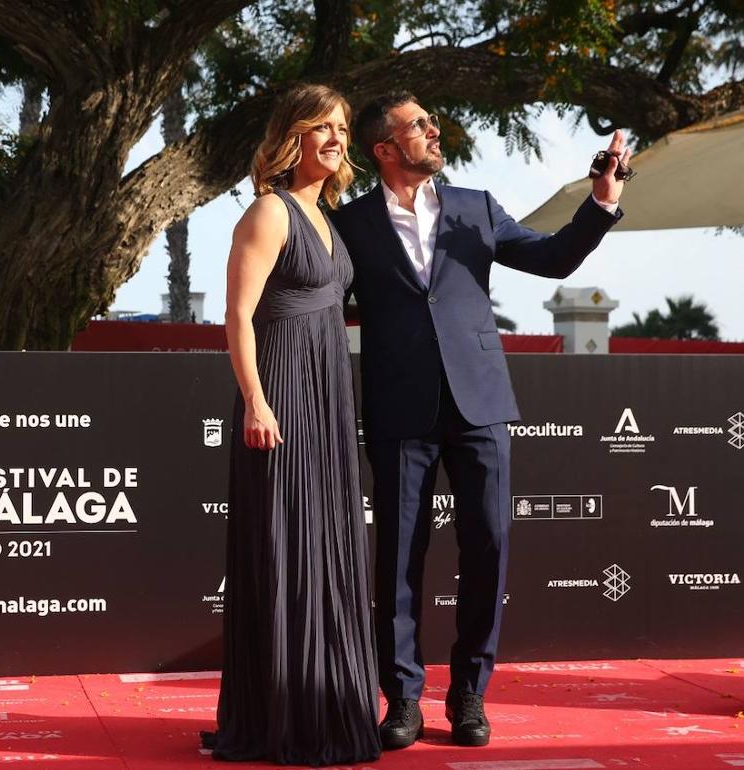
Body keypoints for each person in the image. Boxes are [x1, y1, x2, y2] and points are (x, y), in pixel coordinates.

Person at [330, 91, 629, 749]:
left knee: (488, 544)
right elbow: (318, 298)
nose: (436, 129)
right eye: (419, 125)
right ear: (384, 148)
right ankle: (402, 699)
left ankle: (469, 695)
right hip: (398, 404)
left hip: (481, 404)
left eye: (435, 120)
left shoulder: (476, 207)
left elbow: (552, 257)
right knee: (399, 557)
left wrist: (601, 200)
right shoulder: (348, 225)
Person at [203, 83, 381, 766]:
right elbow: (238, 316)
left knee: (327, 546)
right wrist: (255, 400)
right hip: (280, 394)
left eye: (341, 127)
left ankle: (326, 707)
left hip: (330, 393)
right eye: (323, 128)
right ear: (292, 138)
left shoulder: (329, 219)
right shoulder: (270, 213)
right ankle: (281, 714)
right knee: (285, 547)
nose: (337, 139)